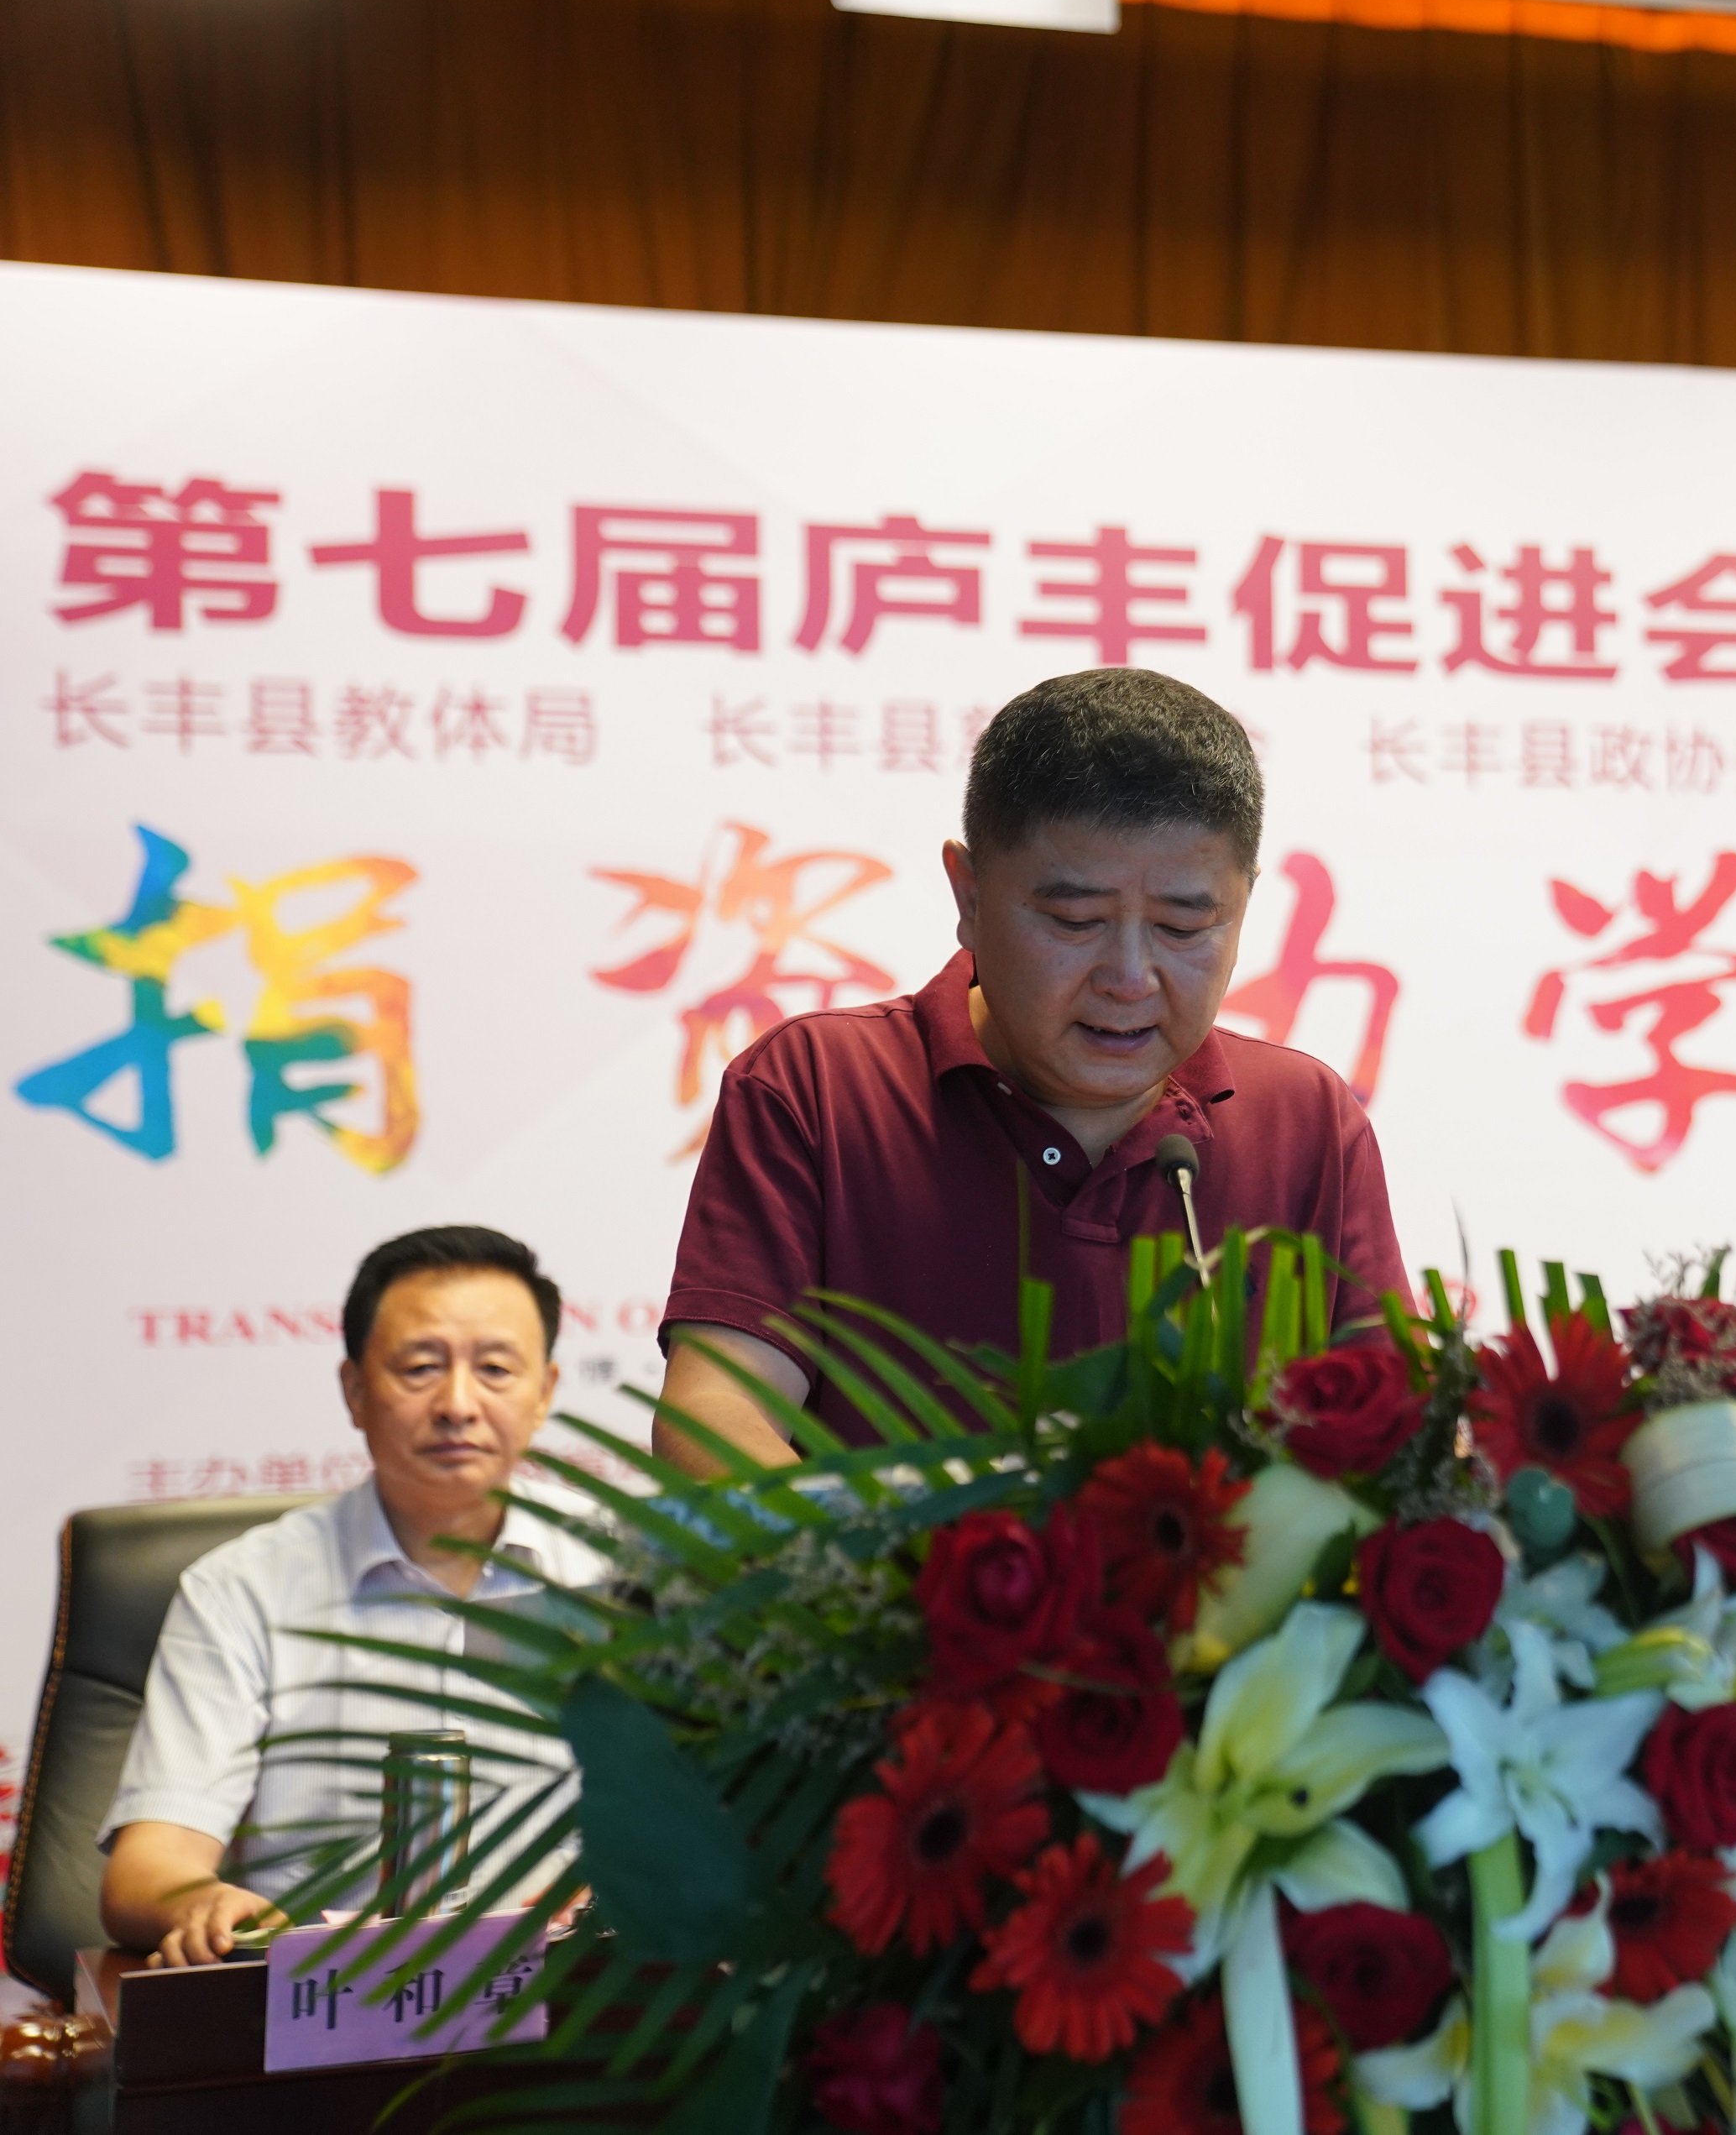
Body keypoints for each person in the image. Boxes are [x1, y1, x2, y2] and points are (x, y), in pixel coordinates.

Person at [652, 670, 1404, 1472]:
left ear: (1245, 904)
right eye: (1075, 920)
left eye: (1184, 928)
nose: (1129, 978)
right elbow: (715, 1414)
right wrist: (893, 1554)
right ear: (969, 895)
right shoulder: (820, 1086)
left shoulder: (1304, 1119)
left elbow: (1401, 1434)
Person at [101, 1227, 605, 1968]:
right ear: (355, 1390)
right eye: (421, 1368)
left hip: (570, 2001)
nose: (458, 1404)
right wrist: (203, 1905)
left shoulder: (619, 1574)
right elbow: (150, 1867)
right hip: (326, 2001)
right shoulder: (243, 1590)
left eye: (496, 1369)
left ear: (545, 1393)